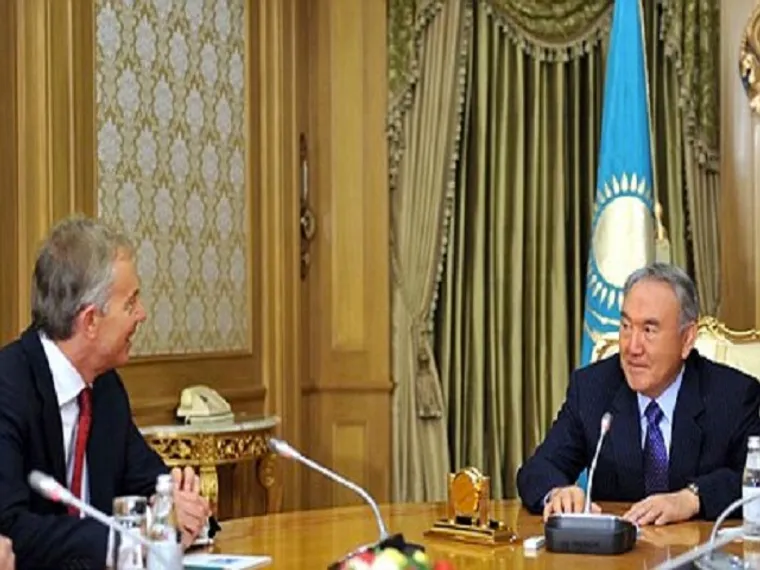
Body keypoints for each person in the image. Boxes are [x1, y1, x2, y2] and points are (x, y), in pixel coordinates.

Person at [0, 216, 211, 567]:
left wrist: (179, 508)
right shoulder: (8, 386)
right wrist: (121, 539)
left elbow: (150, 482)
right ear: (90, 322)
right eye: (130, 303)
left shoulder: (105, 387)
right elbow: (9, 529)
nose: (142, 315)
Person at [517, 262, 760, 525]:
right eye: (626, 326)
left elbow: (754, 480)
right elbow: (538, 469)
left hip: (699, 549)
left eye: (648, 330)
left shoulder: (732, 396)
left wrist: (693, 498)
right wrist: (557, 492)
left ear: (687, 338)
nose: (632, 347)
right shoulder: (592, 389)